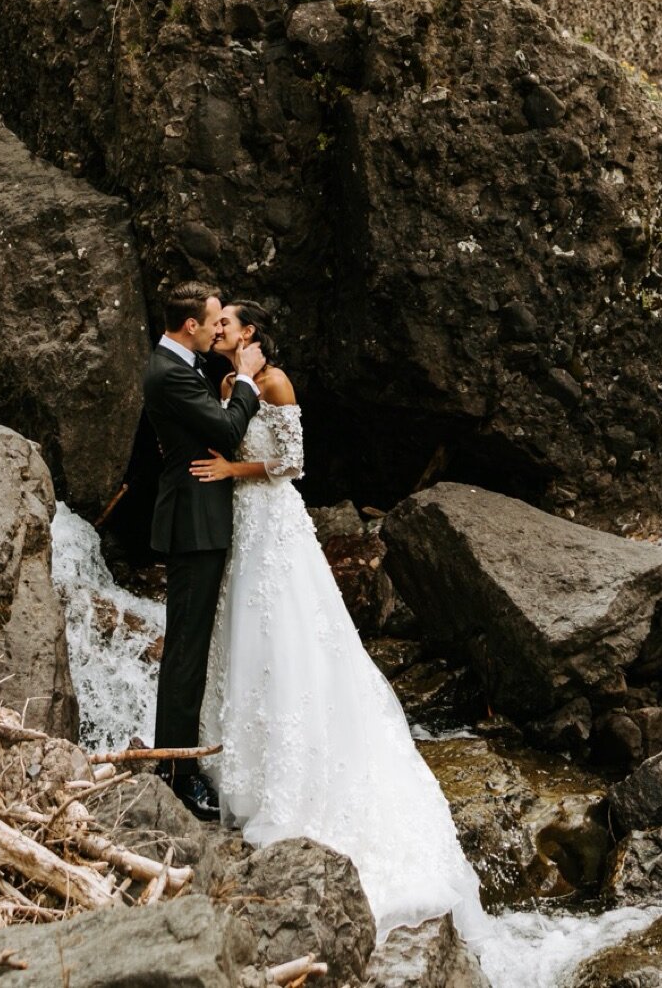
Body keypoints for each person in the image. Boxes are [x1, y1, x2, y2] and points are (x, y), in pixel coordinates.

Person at [193, 302, 484, 941]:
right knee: (245, 639)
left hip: (273, 519)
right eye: (215, 324)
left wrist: (231, 470)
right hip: (242, 526)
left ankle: (300, 780)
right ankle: (241, 764)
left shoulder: (275, 382)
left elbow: (292, 463)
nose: (218, 331)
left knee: (288, 636)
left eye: (227, 324)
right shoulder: (224, 383)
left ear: (251, 333)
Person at [141, 281, 266, 821]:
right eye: (215, 321)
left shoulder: (182, 365)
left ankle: (179, 762)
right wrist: (247, 386)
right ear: (191, 325)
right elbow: (226, 427)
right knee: (186, 653)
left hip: (202, 520)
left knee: (191, 650)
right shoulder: (169, 372)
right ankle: (176, 773)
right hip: (192, 525)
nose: (220, 329)